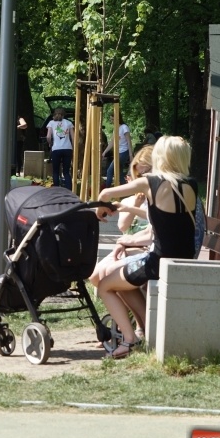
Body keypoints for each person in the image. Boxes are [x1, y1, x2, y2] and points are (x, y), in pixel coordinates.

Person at [95, 136, 197, 359]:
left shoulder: (150, 182)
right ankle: (147, 330)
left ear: (161, 156)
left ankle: (129, 339)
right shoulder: (191, 184)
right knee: (122, 279)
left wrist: (101, 209)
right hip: (185, 258)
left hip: (157, 262)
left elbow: (105, 194)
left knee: (105, 285)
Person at [89, 145, 154, 339]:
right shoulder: (134, 200)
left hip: (145, 249)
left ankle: (135, 329)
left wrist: (127, 242)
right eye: (137, 175)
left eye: (144, 174)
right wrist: (133, 206)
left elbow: (152, 231)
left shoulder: (160, 194)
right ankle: (128, 322)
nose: (140, 179)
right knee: (96, 276)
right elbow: (123, 227)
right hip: (134, 246)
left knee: (109, 276)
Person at [46, 108, 74, 190]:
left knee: (55, 171)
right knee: (66, 172)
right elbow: (73, 138)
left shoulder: (51, 123)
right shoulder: (69, 123)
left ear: (54, 114)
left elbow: (48, 136)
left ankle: (56, 190)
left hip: (56, 149)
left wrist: (50, 143)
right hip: (67, 149)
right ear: (64, 114)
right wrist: (73, 148)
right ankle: (69, 190)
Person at [102, 116, 133, 188]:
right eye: (111, 119)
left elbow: (129, 141)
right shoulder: (115, 129)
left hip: (124, 152)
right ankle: (126, 189)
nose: (112, 121)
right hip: (118, 153)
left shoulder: (124, 127)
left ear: (118, 118)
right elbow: (112, 142)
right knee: (119, 173)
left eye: (113, 119)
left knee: (110, 171)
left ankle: (107, 189)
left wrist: (130, 154)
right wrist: (104, 152)